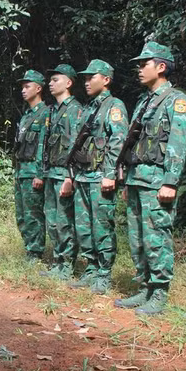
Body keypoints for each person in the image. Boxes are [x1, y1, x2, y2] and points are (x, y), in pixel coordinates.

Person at [115, 42, 186, 315]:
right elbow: (132, 144)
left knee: (156, 236)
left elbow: (178, 143)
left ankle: (159, 293)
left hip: (157, 180)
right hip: (137, 179)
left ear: (161, 67)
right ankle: (144, 287)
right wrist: (126, 179)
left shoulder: (175, 100)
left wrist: (170, 181)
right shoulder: (143, 101)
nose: (139, 69)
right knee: (136, 237)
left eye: (144, 63)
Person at [68, 60, 128, 294]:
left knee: (102, 226)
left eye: (91, 77)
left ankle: (104, 274)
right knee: (84, 227)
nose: (86, 82)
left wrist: (110, 174)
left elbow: (118, 141)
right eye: (84, 78)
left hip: (100, 176)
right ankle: (91, 269)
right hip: (83, 175)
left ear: (105, 79)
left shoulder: (114, 106)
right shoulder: (90, 107)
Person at [38, 64, 82, 279]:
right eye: (50, 80)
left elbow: (76, 145)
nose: (50, 83)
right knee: (52, 220)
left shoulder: (75, 110)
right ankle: (58, 261)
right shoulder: (53, 111)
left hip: (63, 174)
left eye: (56, 80)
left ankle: (67, 265)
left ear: (69, 83)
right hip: (50, 173)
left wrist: (69, 176)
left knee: (64, 221)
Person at [13, 70, 49, 262]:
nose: (23, 90)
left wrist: (40, 174)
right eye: (22, 87)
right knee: (22, 215)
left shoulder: (45, 113)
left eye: (27, 86)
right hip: (21, 171)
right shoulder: (26, 115)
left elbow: (43, 146)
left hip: (33, 172)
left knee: (33, 214)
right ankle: (29, 248)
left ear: (38, 88)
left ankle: (35, 253)